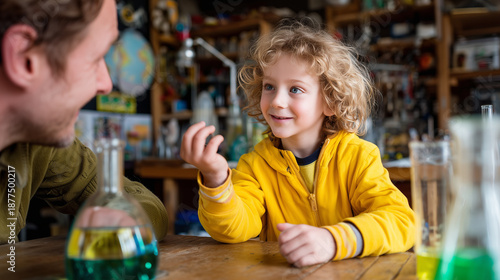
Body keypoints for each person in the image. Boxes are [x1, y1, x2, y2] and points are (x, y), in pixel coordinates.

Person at [180, 19, 415, 267]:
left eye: (295, 89)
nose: (277, 101)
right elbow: (233, 230)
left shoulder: (359, 157)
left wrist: (333, 240)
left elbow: (401, 222)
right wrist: (215, 178)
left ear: (331, 102)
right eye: (269, 86)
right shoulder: (255, 165)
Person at [0, 0, 168, 244]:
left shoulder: (37, 141)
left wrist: (122, 223)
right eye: (97, 58)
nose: (107, 84)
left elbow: (144, 204)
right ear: (24, 58)